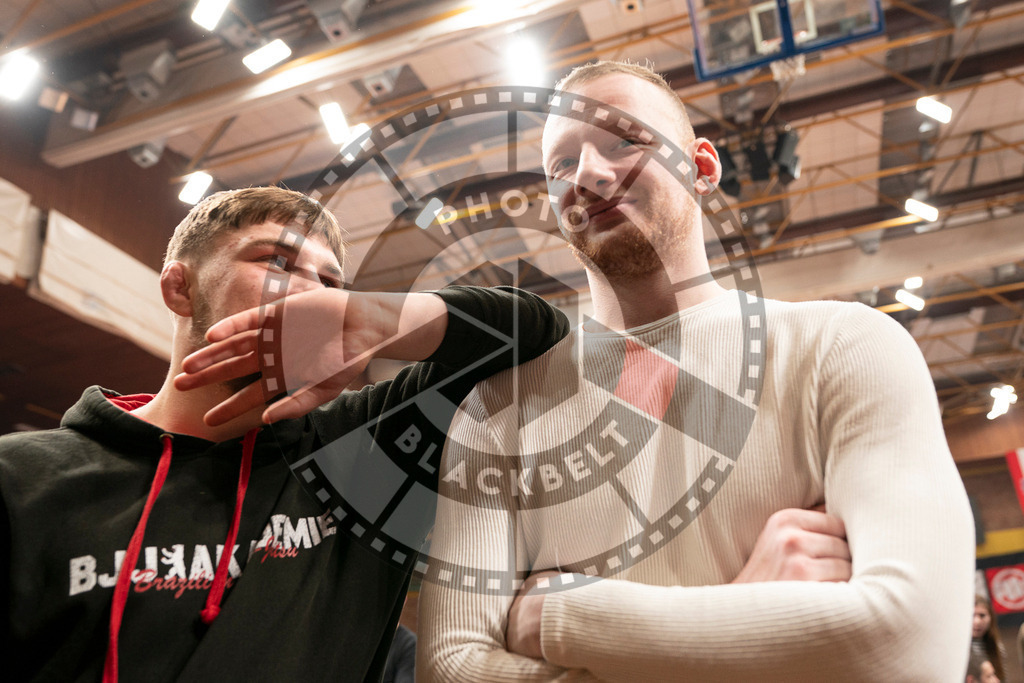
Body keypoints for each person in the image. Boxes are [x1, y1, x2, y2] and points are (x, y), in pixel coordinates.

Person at [418, 61, 975, 681]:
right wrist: (751, 613)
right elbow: (449, 668)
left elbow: (911, 646)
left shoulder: (845, 347)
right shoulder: (498, 411)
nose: (589, 175)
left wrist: (558, 620)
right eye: (560, 166)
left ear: (703, 168)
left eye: (623, 141)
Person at [0, 186, 569, 681]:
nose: (313, 294)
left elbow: (537, 332)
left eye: (331, 283)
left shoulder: (366, 454)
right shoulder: (22, 478)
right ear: (180, 289)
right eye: (278, 262)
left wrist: (374, 318)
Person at [974, 594, 1007, 680]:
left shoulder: (997, 647)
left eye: (982, 615)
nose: (977, 621)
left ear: (990, 617)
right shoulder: (958, 649)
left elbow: (1002, 678)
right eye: (972, 615)